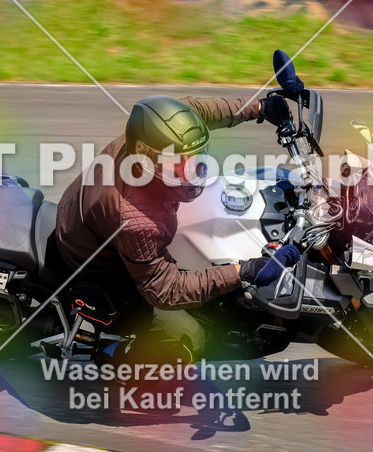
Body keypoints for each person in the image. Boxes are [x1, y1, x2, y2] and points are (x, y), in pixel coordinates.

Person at [54, 53, 306, 365]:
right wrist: (244, 272)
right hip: (97, 264)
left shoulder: (154, 133)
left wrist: (261, 108)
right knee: (190, 337)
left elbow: (201, 112)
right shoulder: (137, 219)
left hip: (84, 216)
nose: (193, 170)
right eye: (180, 166)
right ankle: (115, 356)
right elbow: (165, 290)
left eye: (195, 158)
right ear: (147, 161)